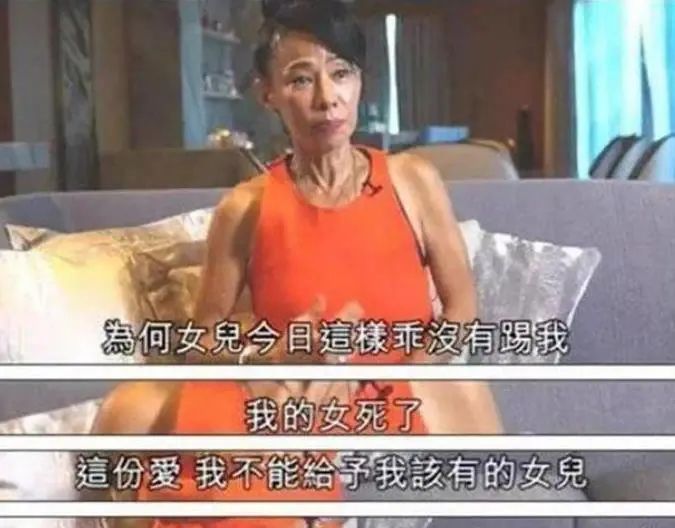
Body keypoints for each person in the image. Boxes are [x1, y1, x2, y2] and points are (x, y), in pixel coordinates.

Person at [91, 0, 503, 526]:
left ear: (360, 82)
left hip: (396, 388)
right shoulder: (246, 206)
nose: (327, 98)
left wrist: (405, 373)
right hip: (289, 396)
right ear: (268, 93)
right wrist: (273, 354)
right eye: (302, 80)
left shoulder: (412, 179)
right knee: (132, 409)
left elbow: (461, 309)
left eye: (341, 73)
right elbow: (204, 341)